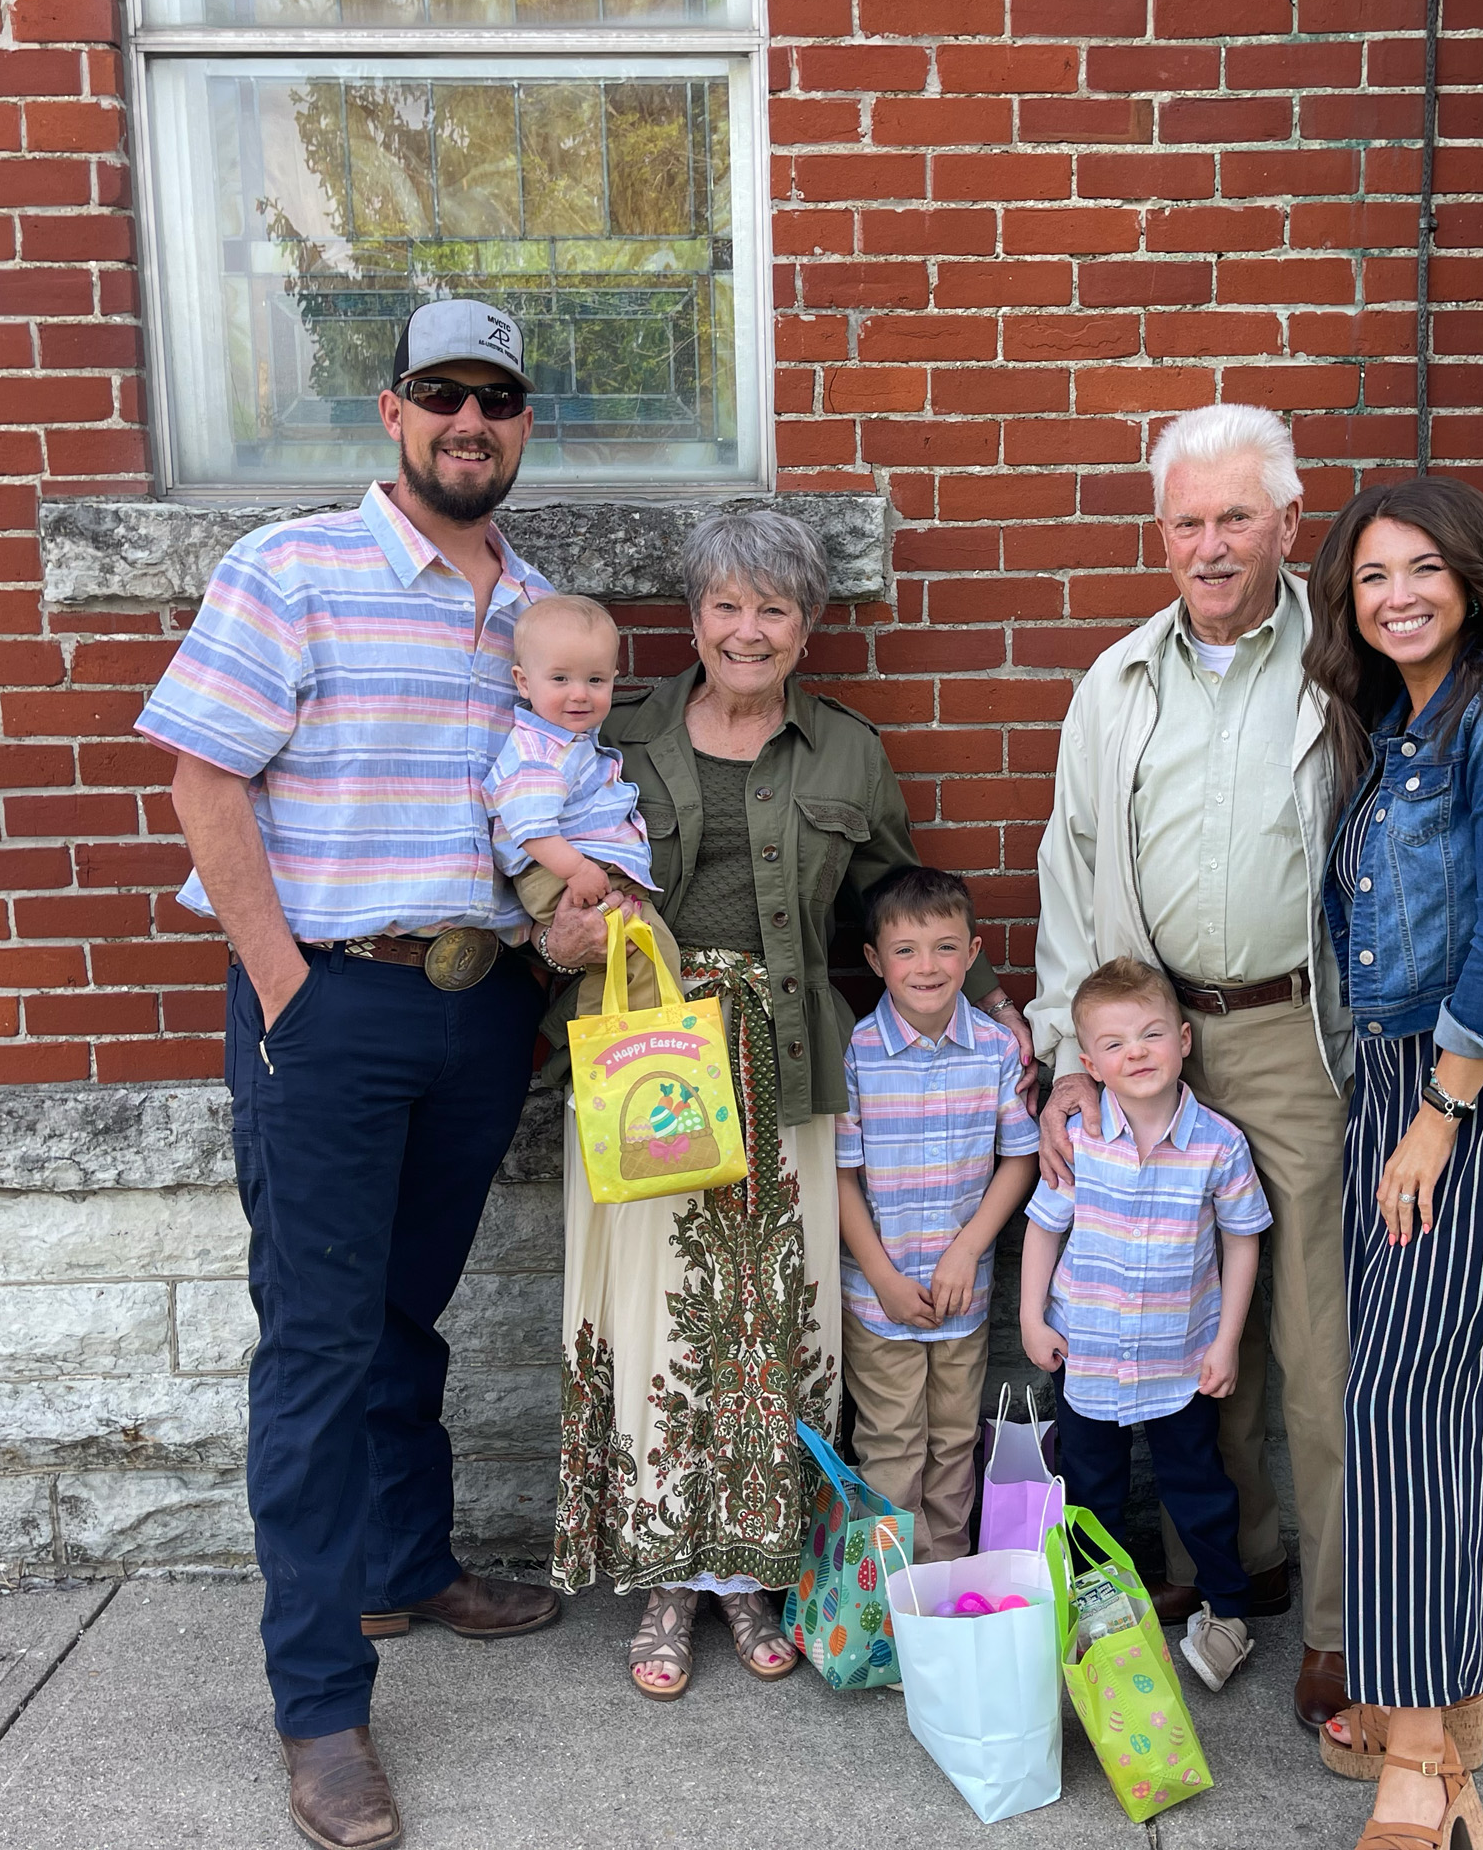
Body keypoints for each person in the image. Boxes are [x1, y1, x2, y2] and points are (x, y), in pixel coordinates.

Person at [1029, 403, 1483, 1733]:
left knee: (1318, 1332)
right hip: (1150, 1050)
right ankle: (1226, 1573)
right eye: (1189, 520)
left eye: (1239, 517)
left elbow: (1464, 801)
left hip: (1306, 1034)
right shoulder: (1117, 682)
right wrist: (1075, 1054)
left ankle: (1346, 1629)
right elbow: (1070, 870)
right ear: (1160, 532)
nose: (1213, 545)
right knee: (1180, 1314)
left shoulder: (1349, 651)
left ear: (1290, 526)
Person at [136, 297, 606, 1850]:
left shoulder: (536, 607)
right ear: (391, 409)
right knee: (324, 1351)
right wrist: (282, 988)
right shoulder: (294, 569)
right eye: (444, 394)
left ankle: (408, 1566)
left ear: (524, 425)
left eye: (501, 399)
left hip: (479, 1013)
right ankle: (322, 1709)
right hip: (327, 1004)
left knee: (409, 1315)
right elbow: (207, 777)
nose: (473, 421)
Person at [544, 509, 1039, 1699]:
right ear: (694, 616)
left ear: (808, 625)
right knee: (661, 1316)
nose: (747, 630)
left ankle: (756, 1577)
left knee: (775, 1325)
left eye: (774, 609)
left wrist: (995, 1008)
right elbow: (529, 840)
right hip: (650, 1066)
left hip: (791, 1067)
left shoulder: (847, 754)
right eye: (725, 605)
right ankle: (666, 1580)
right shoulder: (612, 732)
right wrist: (548, 928)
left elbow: (896, 909)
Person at [1307, 476, 1483, 1850]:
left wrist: (1437, 1114)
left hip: (1473, 1088)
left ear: (1476, 577)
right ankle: (1443, 1741)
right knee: (1440, 1405)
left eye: (1424, 567)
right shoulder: (1404, 725)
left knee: (1407, 1400)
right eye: (1373, 577)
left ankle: (1418, 1761)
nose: (1399, 594)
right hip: (1406, 1082)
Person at [1019, 956, 1270, 1693]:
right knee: (1090, 1493)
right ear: (1089, 1062)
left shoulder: (1218, 1144)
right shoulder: (1080, 1140)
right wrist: (1031, 1319)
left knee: (1198, 1487)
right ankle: (1101, 1615)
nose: (1137, 1053)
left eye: (1152, 1035)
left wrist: (1224, 1340)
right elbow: (1042, 1229)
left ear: (1184, 1040)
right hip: (1088, 1353)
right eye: (1116, 1044)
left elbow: (1244, 1237)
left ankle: (1228, 1613)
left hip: (1179, 1356)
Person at [835, 865, 1041, 1562]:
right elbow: (840, 1176)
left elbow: (1020, 1158)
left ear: (975, 950)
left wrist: (968, 1247)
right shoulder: (856, 1054)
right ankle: (893, 1607)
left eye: (946, 947)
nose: (927, 967)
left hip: (963, 1291)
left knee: (954, 1439)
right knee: (892, 1444)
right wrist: (883, 1277)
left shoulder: (994, 1051)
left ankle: (947, 1579)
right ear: (874, 959)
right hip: (879, 1295)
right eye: (905, 950)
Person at [486, 591, 680, 1012]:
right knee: (636, 955)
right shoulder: (537, 752)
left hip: (579, 867)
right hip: (559, 870)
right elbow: (532, 830)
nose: (580, 694)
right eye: (560, 679)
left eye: (595, 680)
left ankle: (624, 1049)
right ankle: (626, 1051)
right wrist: (578, 870)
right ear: (523, 681)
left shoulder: (571, 742)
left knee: (636, 956)